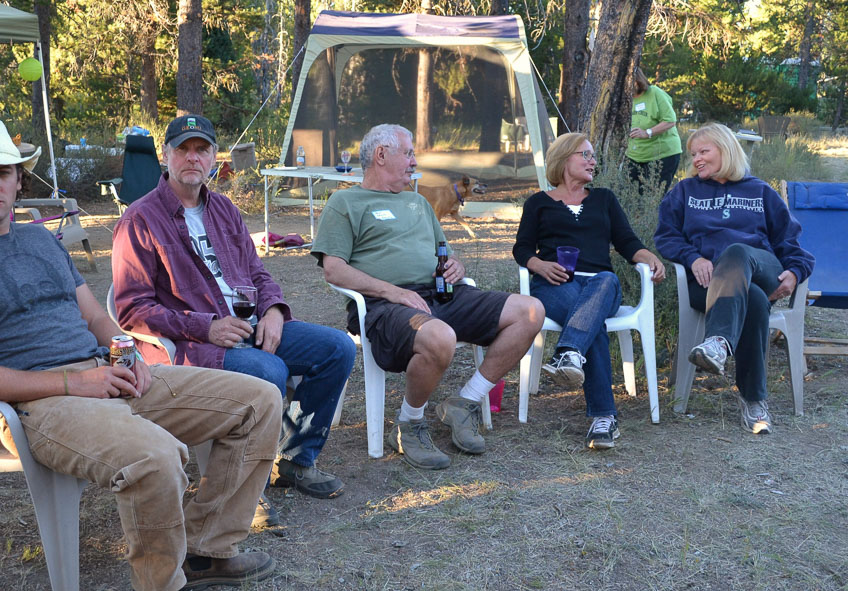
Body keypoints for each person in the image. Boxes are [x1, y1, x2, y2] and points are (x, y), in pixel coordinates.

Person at [0, 117, 283, 591]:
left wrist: (128, 352)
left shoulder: (42, 240)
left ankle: (206, 549)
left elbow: (97, 320)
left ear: (18, 182)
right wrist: (73, 382)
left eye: (4, 173)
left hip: (101, 376)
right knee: (154, 456)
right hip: (39, 403)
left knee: (258, 399)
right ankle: (154, 590)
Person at [112, 114, 356, 505]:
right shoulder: (139, 219)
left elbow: (257, 273)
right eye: (183, 149)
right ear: (166, 156)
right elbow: (132, 309)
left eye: (202, 149)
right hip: (194, 345)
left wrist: (275, 309)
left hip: (250, 325)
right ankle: (240, 490)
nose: (193, 158)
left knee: (337, 348)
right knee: (269, 371)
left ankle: (294, 459)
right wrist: (205, 327)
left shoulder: (224, 209)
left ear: (213, 158)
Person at [311, 123, 545, 470]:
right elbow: (334, 269)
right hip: (386, 306)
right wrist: (393, 291)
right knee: (439, 336)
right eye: (408, 153)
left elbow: (443, 255)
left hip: (442, 295)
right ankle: (409, 423)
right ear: (381, 155)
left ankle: (464, 403)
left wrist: (456, 267)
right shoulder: (345, 202)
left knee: (530, 311)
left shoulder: (419, 203)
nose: (414, 161)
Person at [655, 122, 814, 434]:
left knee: (738, 250)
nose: (696, 159)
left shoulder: (761, 192)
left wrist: (795, 273)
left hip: (760, 266)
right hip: (709, 284)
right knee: (753, 300)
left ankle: (716, 342)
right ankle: (755, 402)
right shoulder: (685, 192)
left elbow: (791, 243)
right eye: (693, 154)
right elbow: (665, 236)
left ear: (725, 150)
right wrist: (693, 257)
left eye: (704, 151)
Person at [513, 133, 665, 449]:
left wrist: (647, 256)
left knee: (606, 280)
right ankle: (603, 420)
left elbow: (626, 242)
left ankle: (568, 353)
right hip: (555, 285)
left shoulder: (604, 199)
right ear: (565, 158)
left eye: (594, 156)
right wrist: (539, 266)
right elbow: (522, 248)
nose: (593, 161)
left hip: (600, 286)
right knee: (591, 325)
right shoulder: (538, 203)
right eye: (586, 154)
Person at [626, 67, 682, 193]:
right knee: (632, 195)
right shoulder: (625, 99)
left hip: (662, 154)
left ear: (637, 80)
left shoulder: (655, 93)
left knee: (653, 196)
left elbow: (670, 120)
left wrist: (647, 133)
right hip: (635, 155)